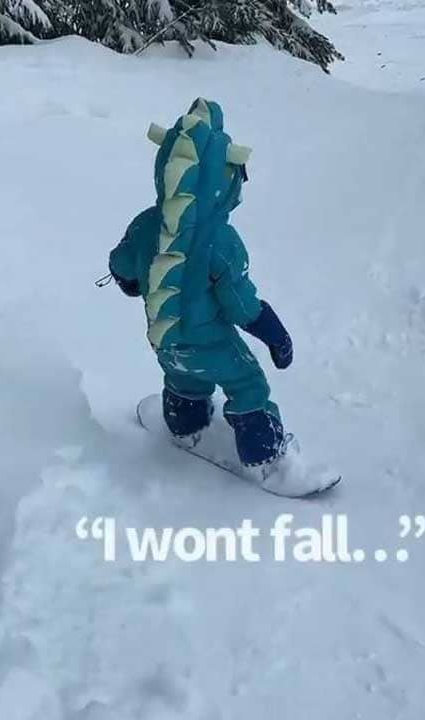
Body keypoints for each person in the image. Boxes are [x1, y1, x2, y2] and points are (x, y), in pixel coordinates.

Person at [109, 98, 327, 497]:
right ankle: (267, 457)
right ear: (224, 178)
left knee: (183, 375)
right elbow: (241, 303)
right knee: (247, 382)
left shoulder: (145, 224)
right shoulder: (221, 242)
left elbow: (122, 264)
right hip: (210, 343)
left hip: (164, 341)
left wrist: (130, 281)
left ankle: (185, 423)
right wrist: (275, 334)